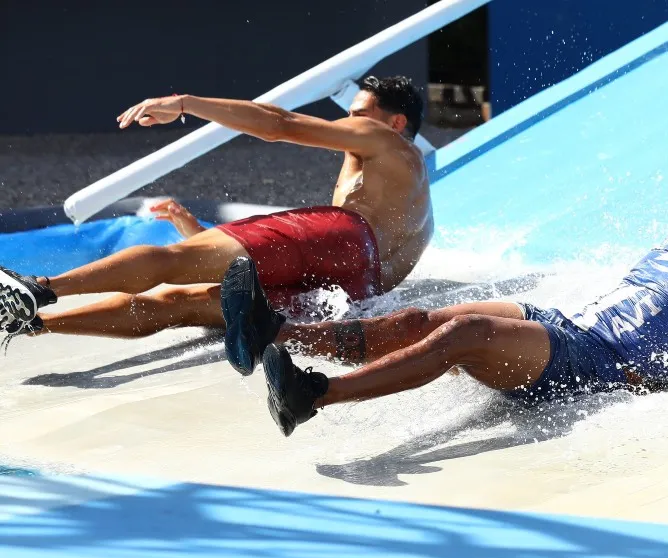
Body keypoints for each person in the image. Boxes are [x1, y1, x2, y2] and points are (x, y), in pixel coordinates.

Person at [221, 148, 668, 437]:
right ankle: (274, 331)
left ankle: (312, 396)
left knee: (464, 334)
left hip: (593, 364)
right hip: (565, 327)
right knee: (424, 318)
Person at [0, 76, 433, 373]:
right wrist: (201, 236)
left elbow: (280, 125)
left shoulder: (383, 141)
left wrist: (186, 104)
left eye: (359, 113)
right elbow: (341, 262)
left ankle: (42, 288)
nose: (346, 123)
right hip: (354, 290)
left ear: (397, 123)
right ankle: (34, 323)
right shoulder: (420, 213)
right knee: (182, 303)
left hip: (344, 235)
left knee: (174, 262)